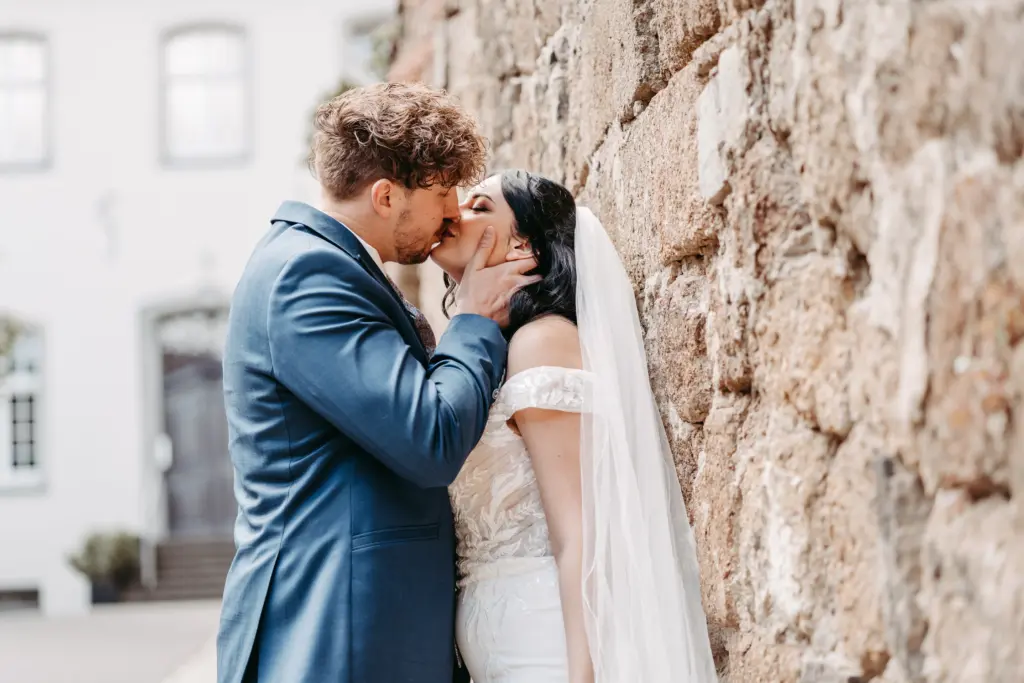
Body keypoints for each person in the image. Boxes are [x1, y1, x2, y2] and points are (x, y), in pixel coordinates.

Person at [217, 83, 539, 683]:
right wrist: (471, 321)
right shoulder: (305, 276)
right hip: (334, 634)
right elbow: (430, 437)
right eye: (443, 193)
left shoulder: (332, 265)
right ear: (387, 195)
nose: (453, 213)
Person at [430, 170, 718, 683]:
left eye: (478, 206)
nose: (454, 213)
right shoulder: (489, 354)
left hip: (546, 643)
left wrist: (581, 675)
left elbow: (579, 533)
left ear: (524, 247)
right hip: (497, 645)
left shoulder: (541, 342)